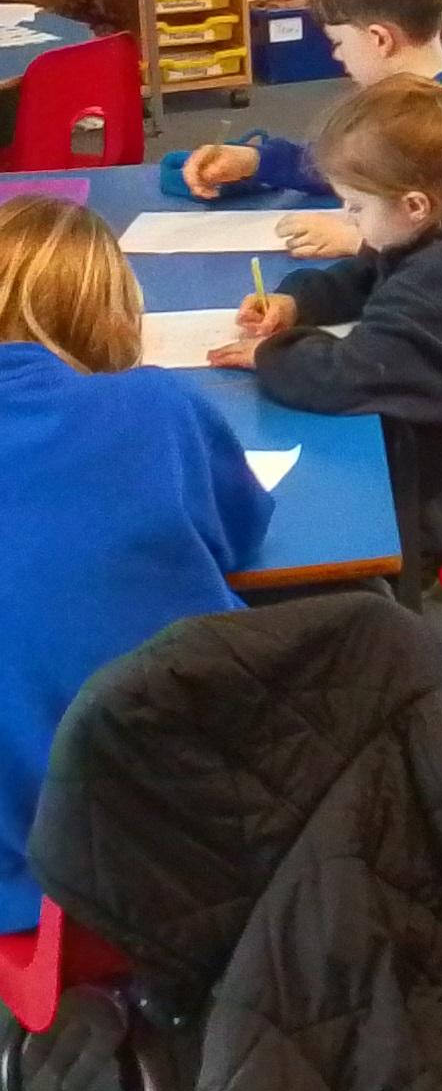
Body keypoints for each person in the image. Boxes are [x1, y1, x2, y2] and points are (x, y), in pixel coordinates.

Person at [0, 195, 271, 927]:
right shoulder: (154, 405)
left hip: (23, 889)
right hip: (182, 853)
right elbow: (241, 528)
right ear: (111, 315)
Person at [211, 74, 442, 597]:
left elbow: (344, 376)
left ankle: (379, 621)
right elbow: (369, 273)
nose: (348, 219)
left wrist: (269, 354)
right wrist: (299, 302)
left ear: (415, 205)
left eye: (355, 206)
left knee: (314, 518)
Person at [182, 0, 442, 260]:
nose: (337, 55)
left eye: (339, 43)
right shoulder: (392, 100)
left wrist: (359, 241)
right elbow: (353, 165)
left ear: (379, 39)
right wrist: (256, 161)